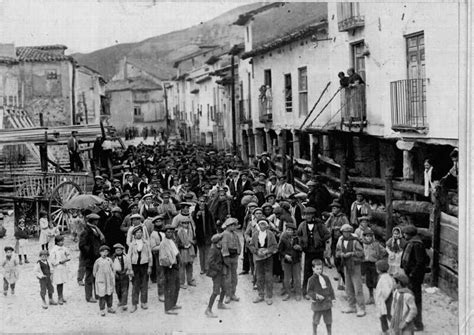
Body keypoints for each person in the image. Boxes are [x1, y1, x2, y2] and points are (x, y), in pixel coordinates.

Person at [297, 207, 331, 300]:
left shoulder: (320, 225)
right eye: (306, 214)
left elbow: (328, 234)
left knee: (318, 271)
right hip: (308, 251)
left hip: (318, 251)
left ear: (313, 215)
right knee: (307, 271)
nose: (307, 216)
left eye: (310, 214)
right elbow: (298, 234)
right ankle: (306, 291)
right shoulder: (302, 225)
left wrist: (320, 241)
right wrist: (302, 242)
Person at [401, 225, 428, 331]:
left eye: (405, 234)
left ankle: (418, 324)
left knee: (415, 300)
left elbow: (420, 262)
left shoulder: (416, 245)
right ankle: (411, 321)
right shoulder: (412, 243)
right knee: (411, 298)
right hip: (411, 275)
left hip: (415, 277)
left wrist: (412, 274)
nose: (403, 235)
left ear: (409, 234)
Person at [336, 223, 365, 317]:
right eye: (344, 232)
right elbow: (337, 251)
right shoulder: (341, 240)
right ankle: (351, 306)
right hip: (346, 265)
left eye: (348, 232)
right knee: (348, 286)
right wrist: (341, 254)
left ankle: (361, 307)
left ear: (350, 232)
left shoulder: (355, 241)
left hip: (355, 264)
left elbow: (361, 253)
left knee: (358, 287)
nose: (346, 233)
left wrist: (351, 253)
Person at [249, 219, 278, 305]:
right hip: (258, 257)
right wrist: (256, 251)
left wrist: (268, 251)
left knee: (268, 276)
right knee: (259, 276)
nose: (262, 226)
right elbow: (251, 245)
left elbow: (274, 245)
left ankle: (269, 296)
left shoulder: (270, 234)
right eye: (261, 224)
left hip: (268, 257)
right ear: (258, 225)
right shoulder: (255, 234)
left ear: (266, 226)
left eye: (264, 224)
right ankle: (260, 295)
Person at [79, 213, 105, 303]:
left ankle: (97, 294)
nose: (97, 222)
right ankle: (89, 296)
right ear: (93, 221)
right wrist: (90, 252)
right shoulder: (86, 231)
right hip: (90, 258)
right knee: (89, 277)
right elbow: (82, 246)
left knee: (97, 276)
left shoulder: (96, 229)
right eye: (96, 220)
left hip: (96, 256)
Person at [325, 201, 350, 290]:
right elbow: (326, 225)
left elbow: (347, 226)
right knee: (335, 258)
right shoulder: (332, 217)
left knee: (340, 259)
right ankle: (339, 273)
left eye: (335, 208)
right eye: (332, 208)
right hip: (333, 239)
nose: (333, 210)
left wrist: (338, 228)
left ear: (339, 209)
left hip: (341, 239)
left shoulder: (343, 217)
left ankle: (343, 279)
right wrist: (329, 218)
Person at [307, 259, 335, 335]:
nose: (319, 271)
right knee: (316, 319)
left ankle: (329, 333)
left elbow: (330, 288)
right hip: (318, 304)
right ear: (313, 269)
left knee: (328, 320)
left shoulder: (326, 278)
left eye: (320, 269)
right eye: (317, 269)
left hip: (326, 303)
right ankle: (314, 332)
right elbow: (309, 291)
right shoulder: (311, 280)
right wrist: (316, 296)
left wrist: (333, 298)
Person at [128, 226, 153, 312]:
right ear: (134, 235)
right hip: (135, 266)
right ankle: (134, 304)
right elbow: (129, 257)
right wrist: (130, 269)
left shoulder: (146, 243)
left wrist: (150, 266)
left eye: (140, 232)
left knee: (144, 284)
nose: (139, 234)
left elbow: (150, 255)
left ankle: (144, 302)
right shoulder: (132, 244)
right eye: (137, 232)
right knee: (135, 285)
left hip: (144, 265)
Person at [360, 227, 387, 305]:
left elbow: (384, 251)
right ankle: (371, 297)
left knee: (376, 280)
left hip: (374, 264)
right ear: (364, 236)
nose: (368, 238)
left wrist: (379, 257)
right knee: (368, 280)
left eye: (370, 236)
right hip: (365, 263)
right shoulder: (362, 244)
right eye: (367, 236)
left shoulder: (376, 244)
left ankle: (380, 297)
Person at [158, 224, 181, 315]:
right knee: (169, 287)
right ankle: (168, 308)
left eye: (171, 232)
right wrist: (170, 263)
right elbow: (163, 258)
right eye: (168, 232)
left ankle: (173, 304)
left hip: (175, 266)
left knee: (176, 286)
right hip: (169, 268)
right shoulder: (163, 243)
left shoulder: (172, 241)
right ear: (165, 233)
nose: (170, 233)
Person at [205, 233, 228, 318]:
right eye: (221, 240)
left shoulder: (218, 247)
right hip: (216, 273)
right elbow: (210, 262)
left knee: (225, 288)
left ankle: (220, 303)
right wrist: (218, 268)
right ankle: (208, 309)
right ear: (218, 241)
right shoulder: (213, 249)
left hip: (220, 272)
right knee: (215, 291)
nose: (222, 241)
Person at [278, 221, 303, 301]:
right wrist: (285, 255)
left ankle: (298, 293)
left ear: (294, 231)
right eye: (288, 230)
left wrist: (299, 248)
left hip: (296, 261)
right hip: (287, 261)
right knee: (287, 278)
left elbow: (303, 248)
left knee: (297, 278)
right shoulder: (283, 239)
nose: (289, 231)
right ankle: (288, 293)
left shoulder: (298, 239)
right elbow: (280, 250)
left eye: (291, 230)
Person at [193, 197, 216, 275]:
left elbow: (213, 224)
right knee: (201, 253)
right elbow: (193, 224)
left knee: (208, 252)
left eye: (203, 202)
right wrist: (197, 216)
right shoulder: (194, 213)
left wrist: (214, 234)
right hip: (199, 237)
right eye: (200, 202)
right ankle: (202, 268)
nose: (202, 203)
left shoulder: (209, 213)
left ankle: (207, 267)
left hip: (207, 236)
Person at [220, 217, 241, 304]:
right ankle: (227, 295)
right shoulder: (225, 234)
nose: (233, 227)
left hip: (234, 257)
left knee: (234, 277)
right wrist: (226, 257)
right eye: (231, 225)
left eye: (234, 225)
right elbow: (224, 246)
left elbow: (239, 244)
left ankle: (233, 293)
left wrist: (239, 252)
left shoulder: (235, 234)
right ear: (228, 226)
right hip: (228, 257)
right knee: (227, 277)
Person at [93, 245, 115, 316]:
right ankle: (102, 309)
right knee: (102, 294)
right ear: (100, 253)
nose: (105, 253)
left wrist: (112, 276)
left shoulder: (109, 260)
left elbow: (113, 268)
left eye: (106, 252)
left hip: (109, 280)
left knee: (109, 293)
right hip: (101, 280)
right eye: (103, 252)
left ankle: (109, 307)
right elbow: (94, 271)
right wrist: (98, 278)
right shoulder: (98, 261)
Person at [375, 259, 395, 335]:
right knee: (385, 315)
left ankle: (387, 330)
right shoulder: (388, 276)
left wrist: (382, 299)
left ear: (379, 270)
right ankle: (386, 330)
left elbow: (386, 290)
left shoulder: (383, 278)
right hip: (386, 299)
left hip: (385, 299)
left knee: (385, 315)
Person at [50, 236, 70, 305]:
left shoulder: (64, 248)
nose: (62, 242)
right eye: (60, 241)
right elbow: (52, 260)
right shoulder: (54, 250)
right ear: (57, 242)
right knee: (59, 282)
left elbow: (68, 255)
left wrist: (67, 259)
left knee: (62, 282)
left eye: (62, 241)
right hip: (57, 267)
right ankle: (59, 297)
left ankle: (61, 295)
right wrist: (59, 262)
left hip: (63, 267)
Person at [176, 219, 196, 289]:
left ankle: (190, 280)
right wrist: (184, 246)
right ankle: (181, 282)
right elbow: (177, 243)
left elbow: (194, 240)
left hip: (190, 250)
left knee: (190, 266)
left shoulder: (191, 231)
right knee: (182, 267)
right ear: (181, 224)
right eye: (184, 223)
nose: (186, 225)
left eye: (187, 223)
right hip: (183, 251)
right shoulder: (179, 232)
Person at [112, 243, 131, 311]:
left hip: (124, 274)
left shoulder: (126, 257)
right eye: (117, 250)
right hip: (117, 275)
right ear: (115, 251)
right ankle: (120, 300)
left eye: (120, 250)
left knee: (125, 289)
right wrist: (114, 274)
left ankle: (124, 303)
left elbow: (129, 265)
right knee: (118, 289)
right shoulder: (112, 258)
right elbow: (111, 267)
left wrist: (128, 271)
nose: (118, 251)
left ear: (122, 250)